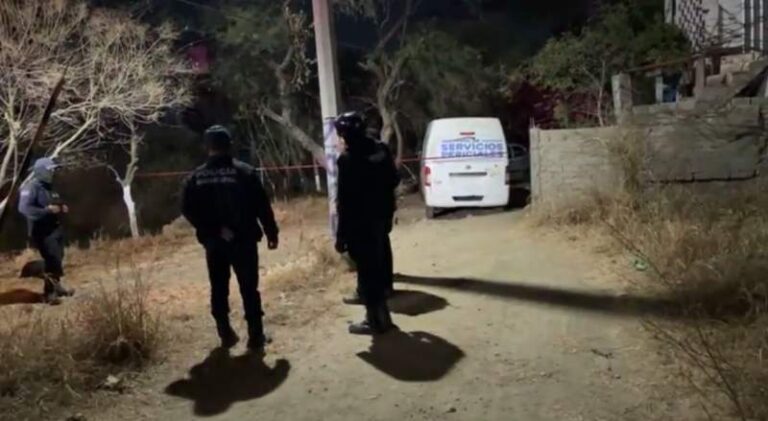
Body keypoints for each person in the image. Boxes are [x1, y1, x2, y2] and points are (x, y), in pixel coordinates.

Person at [182, 125, 279, 353]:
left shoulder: (196, 177)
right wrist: (271, 232)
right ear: (229, 145)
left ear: (207, 147)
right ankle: (256, 336)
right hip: (244, 240)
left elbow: (187, 209)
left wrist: (212, 229)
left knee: (218, 287)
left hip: (215, 242)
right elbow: (262, 206)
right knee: (249, 288)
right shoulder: (245, 172)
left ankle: (225, 333)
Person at [334, 112, 399, 335]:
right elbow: (394, 180)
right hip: (381, 217)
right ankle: (383, 317)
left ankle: (375, 322)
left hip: (360, 224)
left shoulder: (347, 159)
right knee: (378, 267)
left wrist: (341, 236)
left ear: (345, 135)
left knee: (367, 272)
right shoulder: (381, 149)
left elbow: (345, 201)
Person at [18, 158, 74, 305]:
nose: (53, 172)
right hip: (42, 232)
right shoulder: (31, 187)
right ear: (41, 171)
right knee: (52, 260)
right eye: (50, 170)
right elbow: (24, 208)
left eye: (54, 170)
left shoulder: (49, 187)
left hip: (55, 229)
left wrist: (61, 207)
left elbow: (54, 203)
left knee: (58, 258)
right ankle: (49, 294)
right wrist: (45, 211)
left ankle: (57, 287)